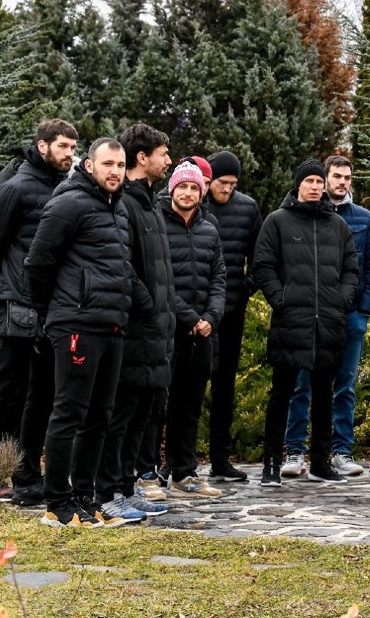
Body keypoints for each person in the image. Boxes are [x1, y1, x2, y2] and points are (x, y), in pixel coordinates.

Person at [25, 138, 138, 528]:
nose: (115, 171)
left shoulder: (119, 208)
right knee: (69, 412)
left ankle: (85, 500)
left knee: (99, 416)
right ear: (89, 166)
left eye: (121, 165)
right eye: (107, 164)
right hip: (75, 324)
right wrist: (50, 315)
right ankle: (58, 504)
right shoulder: (69, 202)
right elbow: (38, 262)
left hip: (111, 325)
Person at [0, 118, 77, 504]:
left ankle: (27, 475)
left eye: (72, 146)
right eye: (62, 146)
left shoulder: (66, 187)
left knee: (43, 396)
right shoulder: (15, 187)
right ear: (43, 146)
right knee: (5, 392)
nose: (69, 153)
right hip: (15, 306)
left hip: (53, 308)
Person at [252, 160, 360, 487]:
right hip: (291, 322)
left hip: (328, 324)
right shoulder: (277, 222)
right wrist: (281, 299)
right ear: (298, 184)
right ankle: (271, 465)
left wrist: (340, 299)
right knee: (282, 393)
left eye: (318, 181)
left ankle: (321, 464)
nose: (314, 186)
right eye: (309, 181)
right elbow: (263, 266)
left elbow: (351, 270)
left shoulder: (337, 226)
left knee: (324, 395)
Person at [92, 124, 176, 523]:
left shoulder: (151, 204)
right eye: (164, 153)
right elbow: (122, 265)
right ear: (143, 158)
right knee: (121, 416)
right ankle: (107, 492)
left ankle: (127, 487)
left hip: (156, 330)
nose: (169, 161)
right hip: (134, 329)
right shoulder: (123, 203)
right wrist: (146, 305)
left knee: (143, 414)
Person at [282, 155, 370, 479]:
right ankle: (295, 451)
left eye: (347, 177)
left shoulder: (364, 220)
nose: (341, 182)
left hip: (349, 317)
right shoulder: (303, 217)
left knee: (345, 385)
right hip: (309, 317)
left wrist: (362, 310)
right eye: (336, 176)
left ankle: (340, 451)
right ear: (324, 179)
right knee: (301, 385)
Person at [160, 160, 226, 498]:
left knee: (191, 405)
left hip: (204, 333)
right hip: (170, 330)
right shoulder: (157, 224)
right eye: (182, 186)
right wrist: (188, 318)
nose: (188, 192)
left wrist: (211, 318)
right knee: (159, 405)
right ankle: (150, 473)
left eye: (194, 188)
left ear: (201, 192)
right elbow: (161, 281)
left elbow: (220, 278)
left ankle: (185, 473)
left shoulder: (209, 230)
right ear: (173, 188)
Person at [200, 150, 262, 482]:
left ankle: (220, 459)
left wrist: (243, 288)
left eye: (233, 184)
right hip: (197, 311)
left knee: (225, 388)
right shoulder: (195, 202)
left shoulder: (248, 208)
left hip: (233, 309)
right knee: (190, 386)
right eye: (222, 183)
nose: (227, 189)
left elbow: (260, 256)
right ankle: (172, 462)